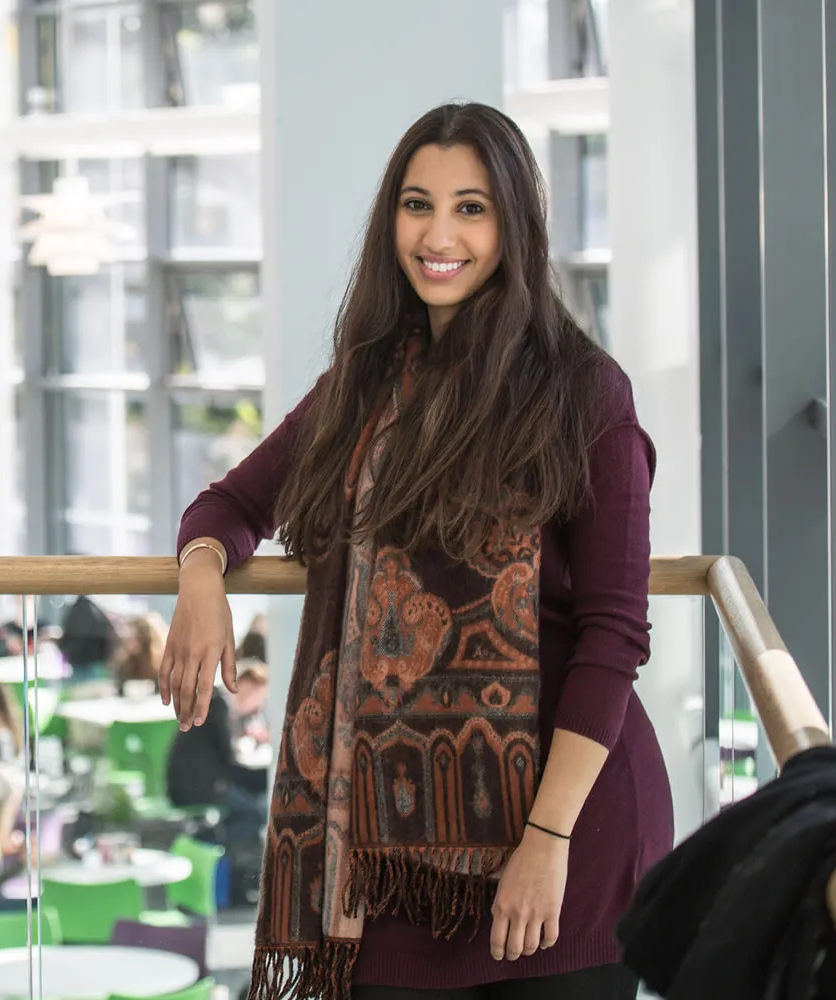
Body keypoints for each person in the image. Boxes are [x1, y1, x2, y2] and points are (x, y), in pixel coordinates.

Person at [161, 102, 670, 1000]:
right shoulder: (363, 384)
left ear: (515, 226)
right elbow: (232, 502)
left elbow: (612, 636)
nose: (438, 234)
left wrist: (545, 842)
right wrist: (202, 574)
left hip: (567, 833)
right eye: (416, 203)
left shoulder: (584, 393)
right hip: (388, 849)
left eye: (471, 208)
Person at [165, 659, 271, 844]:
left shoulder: (215, 702)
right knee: (256, 814)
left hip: (192, 784)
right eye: (259, 697)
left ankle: (214, 843)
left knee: (255, 795)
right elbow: (227, 754)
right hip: (196, 789)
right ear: (247, 685)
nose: (257, 706)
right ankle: (205, 842)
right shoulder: (218, 704)